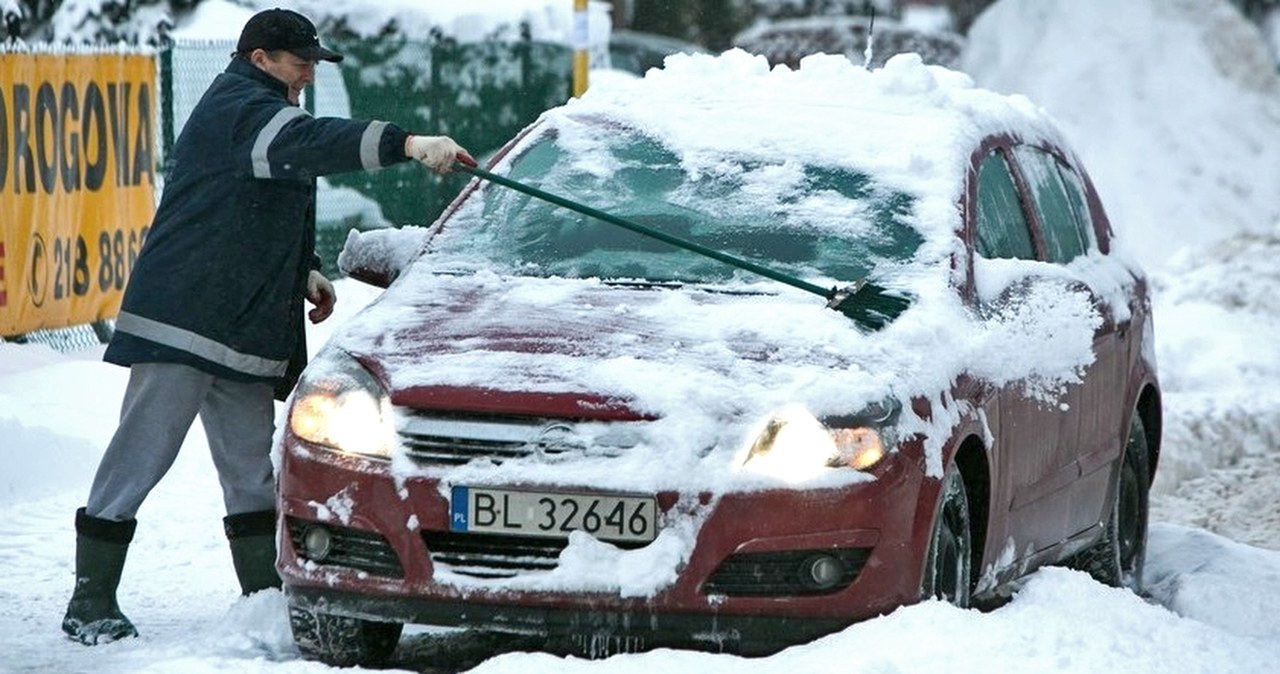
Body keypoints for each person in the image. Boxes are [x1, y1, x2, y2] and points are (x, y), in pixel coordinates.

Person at [61, 8, 476, 646]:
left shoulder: (263, 110)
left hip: (240, 327)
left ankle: (263, 600)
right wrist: (408, 143)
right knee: (140, 457)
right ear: (260, 59)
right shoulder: (242, 106)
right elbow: (309, 144)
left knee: (251, 472)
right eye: (300, 62)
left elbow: (259, 202)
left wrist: (302, 268)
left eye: (313, 62)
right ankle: (90, 600)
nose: (309, 73)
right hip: (186, 322)